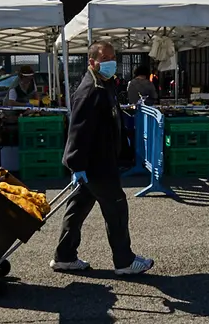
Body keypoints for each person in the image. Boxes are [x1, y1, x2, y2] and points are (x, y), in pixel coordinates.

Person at [50, 40, 154, 276]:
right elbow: (78, 130)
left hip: (98, 162)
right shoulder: (90, 91)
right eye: (105, 58)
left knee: (77, 209)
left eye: (113, 57)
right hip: (96, 165)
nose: (110, 62)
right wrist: (76, 165)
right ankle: (124, 261)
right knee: (116, 208)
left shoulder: (104, 85)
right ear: (92, 62)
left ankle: (64, 256)